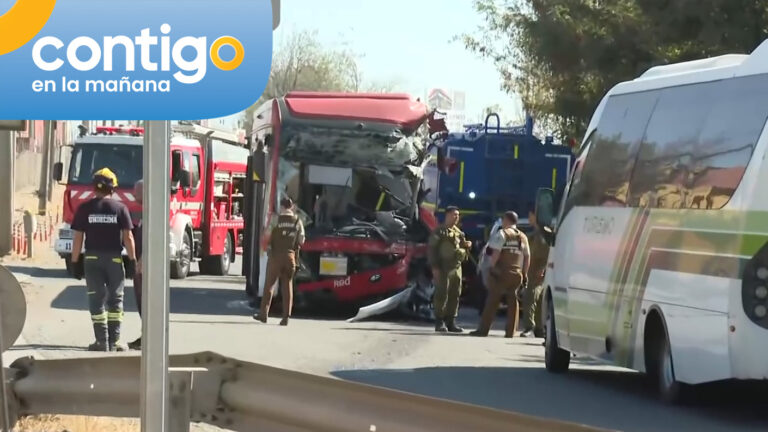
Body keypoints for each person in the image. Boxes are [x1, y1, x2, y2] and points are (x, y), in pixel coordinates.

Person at [70, 168, 137, 352]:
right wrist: (132, 261)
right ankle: (114, 342)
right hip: (114, 260)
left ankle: (101, 342)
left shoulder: (84, 208)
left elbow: (78, 238)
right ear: (112, 189)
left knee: (96, 300)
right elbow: (128, 238)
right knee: (116, 300)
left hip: (91, 259)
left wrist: (75, 262)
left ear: (94, 187)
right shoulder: (120, 209)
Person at [470, 211, 529, 338]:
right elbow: (527, 257)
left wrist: (491, 267)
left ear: (506, 220)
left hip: (501, 274)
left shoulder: (502, 234)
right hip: (516, 274)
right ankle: (510, 332)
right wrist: (524, 273)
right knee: (513, 301)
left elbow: (495, 253)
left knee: (492, 301)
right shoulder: (522, 237)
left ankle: (483, 330)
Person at [253, 196, 305, 326]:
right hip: (290, 258)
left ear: (281, 207)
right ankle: (286, 317)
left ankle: (263, 314)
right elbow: (301, 240)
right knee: (287, 287)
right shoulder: (298, 221)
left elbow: (267, 236)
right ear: (292, 207)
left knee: (269, 285)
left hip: (276, 257)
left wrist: (266, 248)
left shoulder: (276, 219)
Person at [428, 206, 472, 333]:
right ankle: (439, 321)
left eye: (458, 215)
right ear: (447, 215)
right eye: (454, 215)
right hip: (443, 268)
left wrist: (467, 245)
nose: (456, 217)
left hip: (456, 268)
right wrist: (434, 267)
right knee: (442, 294)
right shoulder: (439, 231)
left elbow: (463, 246)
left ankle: (451, 321)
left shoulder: (459, 232)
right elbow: (432, 250)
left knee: (455, 294)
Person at [520, 210, 549, 338]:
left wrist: (543, 269)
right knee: (537, 300)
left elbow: (547, 254)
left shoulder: (544, 233)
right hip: (532, 271)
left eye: (530, 216)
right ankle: (539, 328)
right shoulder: (535, 234)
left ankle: (529, 327)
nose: (529, 218)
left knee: (530, 299)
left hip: (538, 272)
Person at [128, 180, 143, 350]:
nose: (132, 195)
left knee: (145, 302)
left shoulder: (153, 211)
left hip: (144, 266)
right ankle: (145, 336)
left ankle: (148, 338)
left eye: (136, 192)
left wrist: (142, 259)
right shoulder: (145, 212)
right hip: (141, 263)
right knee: (141, 303)